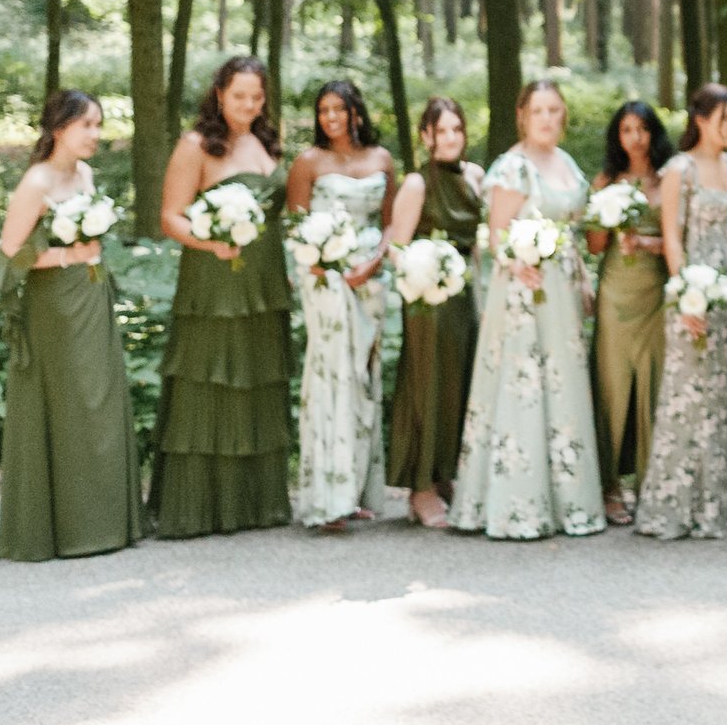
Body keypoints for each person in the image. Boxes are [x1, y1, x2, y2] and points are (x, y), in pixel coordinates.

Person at [450, 79, 606, 540]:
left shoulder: (567, 165)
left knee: (563, 385)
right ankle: (515, 503)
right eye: (538, 110)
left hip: (561, 287)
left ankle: (567, 502)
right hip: (523, 290)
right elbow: (496, 234)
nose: (547, 118)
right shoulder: (511, 167)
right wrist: (518, 263)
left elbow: (575, 230)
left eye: (555, 110)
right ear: (522, 115)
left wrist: (581, 279)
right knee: (525, 388)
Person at [0, 90, 140, 562]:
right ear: (60, 128)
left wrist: (85, 257)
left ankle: (103, 521)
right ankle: (63, 528)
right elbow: (8, 254)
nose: (97, 135)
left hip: (92, 296)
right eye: (87, 126)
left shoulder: (86, 174)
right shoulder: (36, 181)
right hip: (53, 307)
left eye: (100, 125)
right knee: (69, 404)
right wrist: (65, 255)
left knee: (99, 402)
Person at [150, 56, 293, 537]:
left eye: (257, 97)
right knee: (212, 376)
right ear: (218, 94)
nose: (248, 106)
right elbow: (171, 216)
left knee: (256, 376)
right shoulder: (196, 145)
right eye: (239, 97)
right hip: (215, 276)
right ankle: (199, 507)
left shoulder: (266, 140)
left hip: (264, 278)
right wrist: (212, 241)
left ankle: (254, 503)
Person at [635, 84, 727, 539]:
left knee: (725, 392)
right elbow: (672, 237)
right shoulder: (680, 170)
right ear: (703, 119)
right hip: (694, 292)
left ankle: (723, 504)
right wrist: (687, 294)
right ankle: (676, 504)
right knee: (689, 394)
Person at [286, 79, 395, 531]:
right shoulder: (308, 162)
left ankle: (358, 492)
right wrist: (322, 268)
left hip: (371, 280)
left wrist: (373, 264)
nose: (330, 118)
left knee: (364, 377)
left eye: (338, 109)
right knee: (331, 375)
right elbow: (295, 227)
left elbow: (392, 226)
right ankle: (327, 496)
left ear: (356, 112)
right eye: (323, 110)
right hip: (325, 280)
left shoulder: (381, 160)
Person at [386, 96, 484, 528]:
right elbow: (396, 247)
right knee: (427, 386)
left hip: (466, 296)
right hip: (428, 298)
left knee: (459, 383)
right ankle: (420, 487)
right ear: (426, 136)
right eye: (441, 131)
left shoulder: (476, 177)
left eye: (456, 130)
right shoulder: (416, 184)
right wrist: (425, 274)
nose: (450, 138)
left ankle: (447, 474)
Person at [589, 99, 676, 525]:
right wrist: (610, 222)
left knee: (654, 382)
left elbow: (682, 239)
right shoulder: (606, 179)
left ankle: (652, 482)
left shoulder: (670, 178)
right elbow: (593, 246)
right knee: (613, 383)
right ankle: (609, 486)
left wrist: (647, 243)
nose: (635, 138)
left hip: (657, 290)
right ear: (617, 137)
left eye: (641, 129)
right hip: (615, 291)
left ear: (653, 132)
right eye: (626, 130)